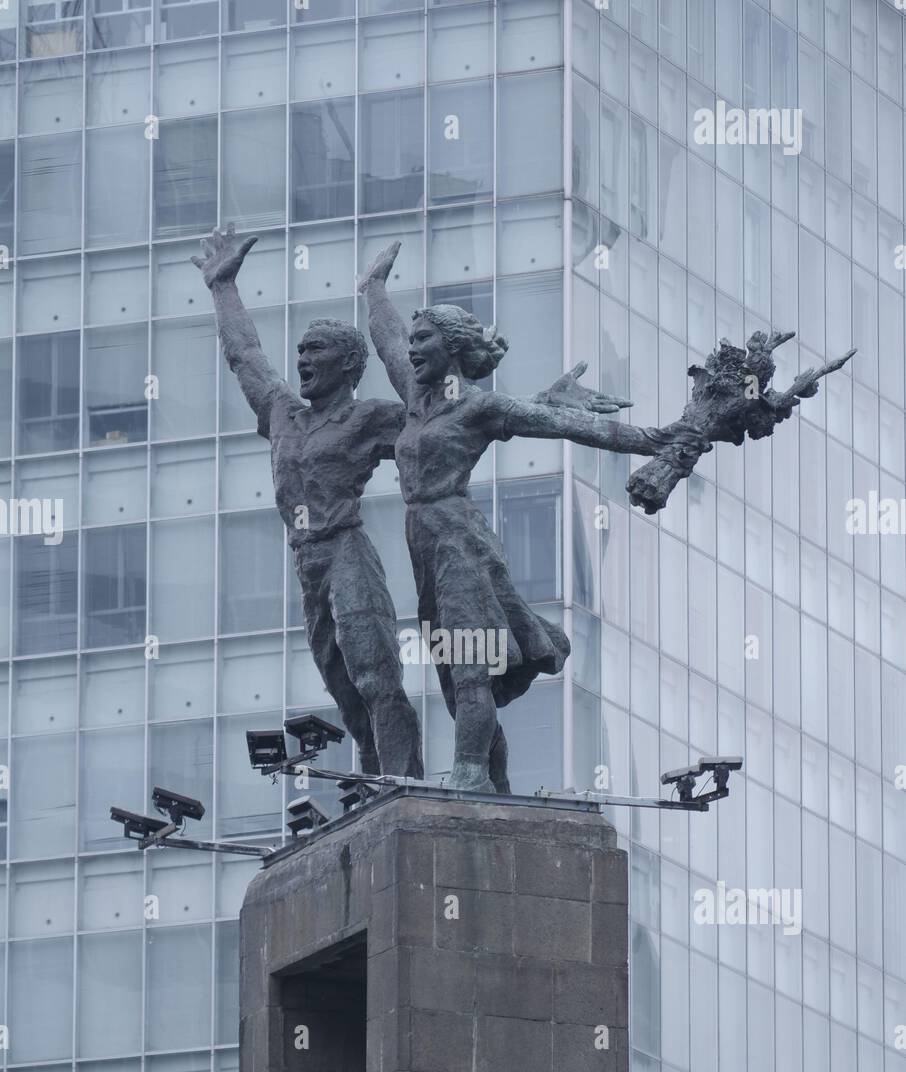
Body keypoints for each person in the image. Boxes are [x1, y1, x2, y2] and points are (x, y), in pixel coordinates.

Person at [358, 240, 705, 793]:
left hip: (459, 544)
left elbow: (571, 427)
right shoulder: (415, 394)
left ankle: (470, 776)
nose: (414, 349)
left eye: (426, 340)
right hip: (422, 544)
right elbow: (386, 338)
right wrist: (373, 286)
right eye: (416, 339)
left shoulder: (479, 407)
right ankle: (493, 778)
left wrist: (660, 440)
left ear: (452, 349)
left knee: (471, 662)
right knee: (453, 670)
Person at [194, 225, 423, 779]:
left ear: (348, 364)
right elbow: (245, 355)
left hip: (346, 551)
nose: (301, 358)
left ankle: (401, 780)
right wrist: (223, 289)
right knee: (341, 685)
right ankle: (374, 781)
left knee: (375, 675)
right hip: (307, 561)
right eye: (299, 349)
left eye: (314, 349)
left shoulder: (368, 417)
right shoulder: (281, 413)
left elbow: (439, 427)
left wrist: (521, 410)